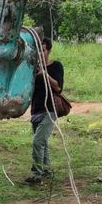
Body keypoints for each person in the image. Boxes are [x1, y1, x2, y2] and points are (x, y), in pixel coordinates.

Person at [25, 37, 64, 185]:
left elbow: (58, 87)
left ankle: (36, 174)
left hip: (50, 109)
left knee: (37, 142)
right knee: (43, 143)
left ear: (48, 50)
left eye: (43, 50)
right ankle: (47, 169)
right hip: (36, 109)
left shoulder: (56, 66)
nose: (41, 53)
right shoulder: (32, 68)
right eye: (38, 50)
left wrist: (45, 75)